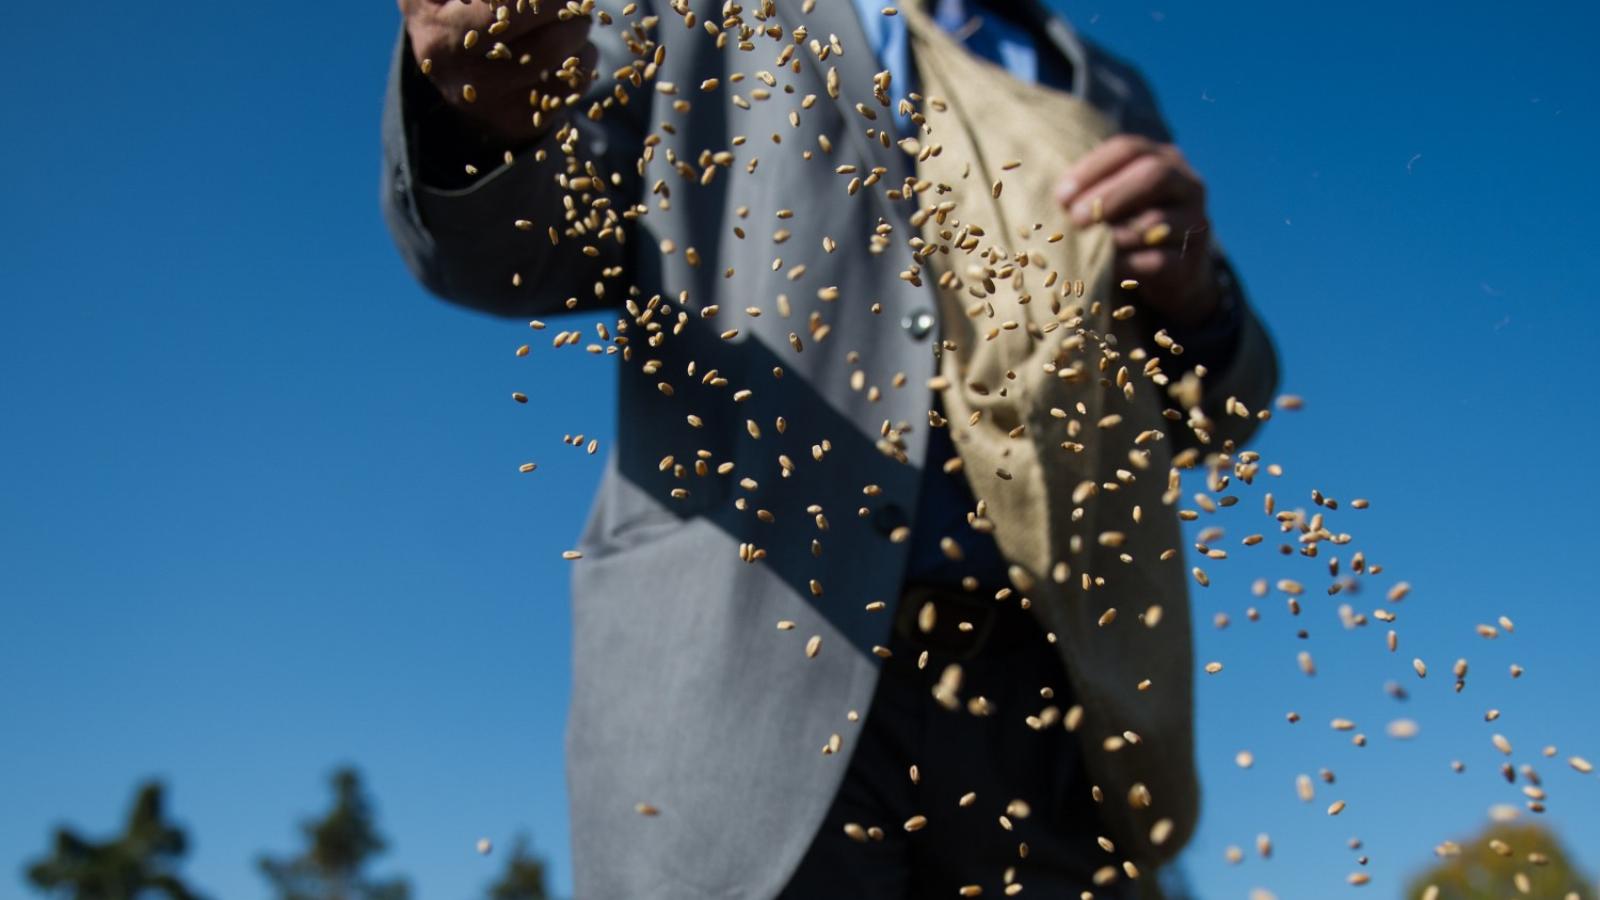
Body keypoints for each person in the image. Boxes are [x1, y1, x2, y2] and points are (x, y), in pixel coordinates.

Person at [382, 0, 1278, 896]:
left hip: (1048, 698)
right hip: (750, 645)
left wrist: (1197, 302)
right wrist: (476, 113)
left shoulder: (1101, 84)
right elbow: (516, 247)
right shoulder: (693, 15)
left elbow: (1196, 418)